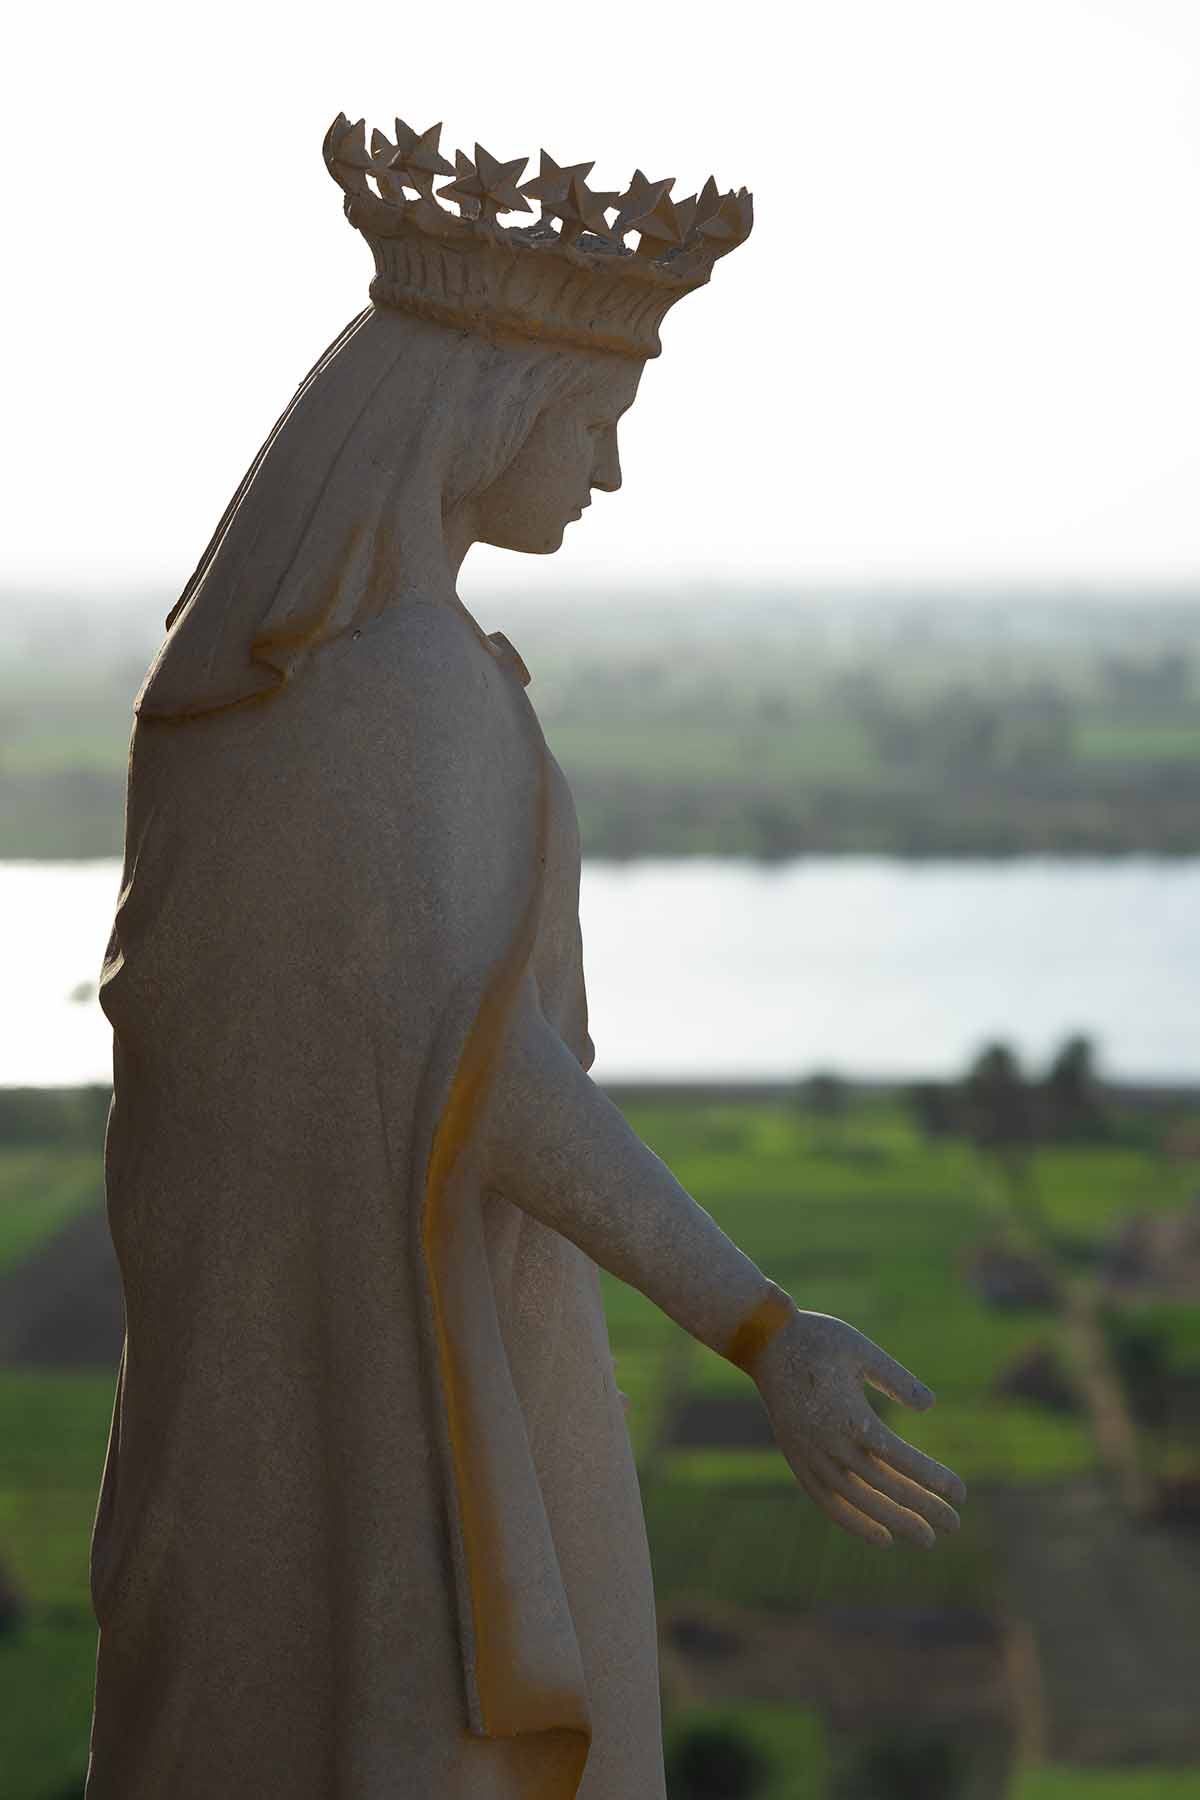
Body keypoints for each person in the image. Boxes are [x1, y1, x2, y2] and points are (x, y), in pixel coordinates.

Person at [85, 115, 966, 1800]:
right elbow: (490, 1090)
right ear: (487, 408)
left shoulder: (255, 696)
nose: (610, 472)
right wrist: (765, 1329)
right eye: (598, 420)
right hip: (406, 1390)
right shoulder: (416, 696)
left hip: (264, 1397)